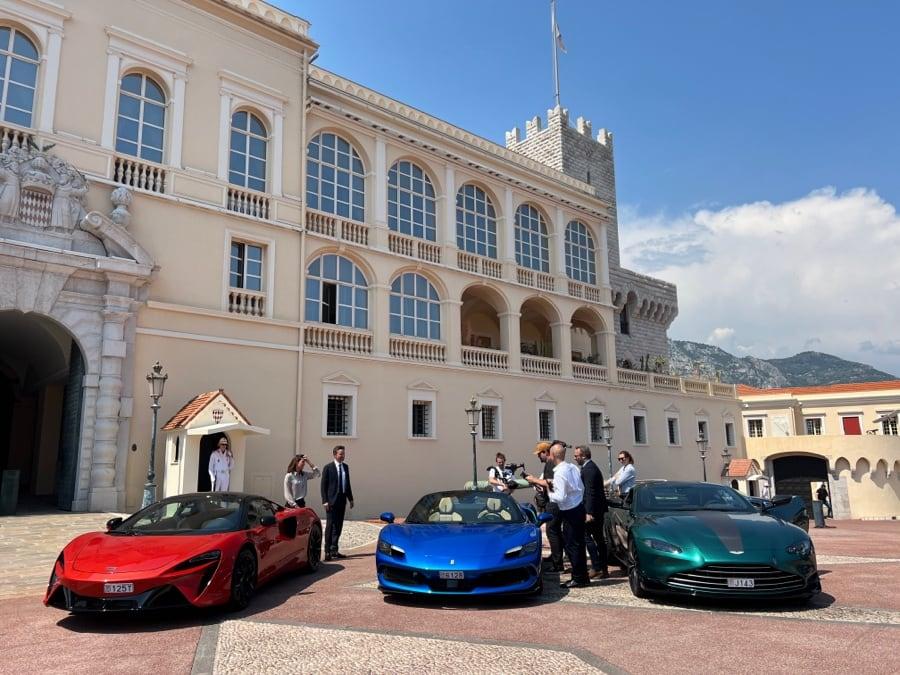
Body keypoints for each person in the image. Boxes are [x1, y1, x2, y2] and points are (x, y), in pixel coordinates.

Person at [546, 440, 589, 588]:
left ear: (552, 455)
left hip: (569, 510)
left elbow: (560, 497)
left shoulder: (559, 472)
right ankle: (582, 576)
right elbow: (581, 488)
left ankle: (578, 578)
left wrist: (548, 490)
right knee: (578, 544)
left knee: (572, 545)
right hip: (578, 507)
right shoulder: (572, 468)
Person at [524, 442, 563, 573]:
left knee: (552, 531)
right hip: (552, 501)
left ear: (545, 452)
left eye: (539, 454)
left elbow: (550, 483)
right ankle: (555, 557)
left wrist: (534, 480)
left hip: (553, 502)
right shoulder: (551, 464)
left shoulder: (550, 464)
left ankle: (558, 564)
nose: (538, 457)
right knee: (554, 531)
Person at [574, 445, 609, 580]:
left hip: (593, 511)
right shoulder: (590, 467)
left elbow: (590, 492)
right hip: (597, 509)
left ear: (583, 456)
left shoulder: (589, 469)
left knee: (588, 537)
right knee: (599, 539)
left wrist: (588, 512)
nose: (575, 458)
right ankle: (602, 568)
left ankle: (597, 567)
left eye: (577, 455)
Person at [321, 445, 354, 561]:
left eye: (343, 454)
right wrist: (325, 501)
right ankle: (327, 551)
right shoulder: (328, 468)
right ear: (335, 454)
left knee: (338, 526)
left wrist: (350, 498)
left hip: (341, 500)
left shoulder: (345, 467)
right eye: (341, 454)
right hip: (331, 501)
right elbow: (323, 486)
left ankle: (334, 549)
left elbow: (347, 484)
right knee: (330, 526)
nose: (342, 456)